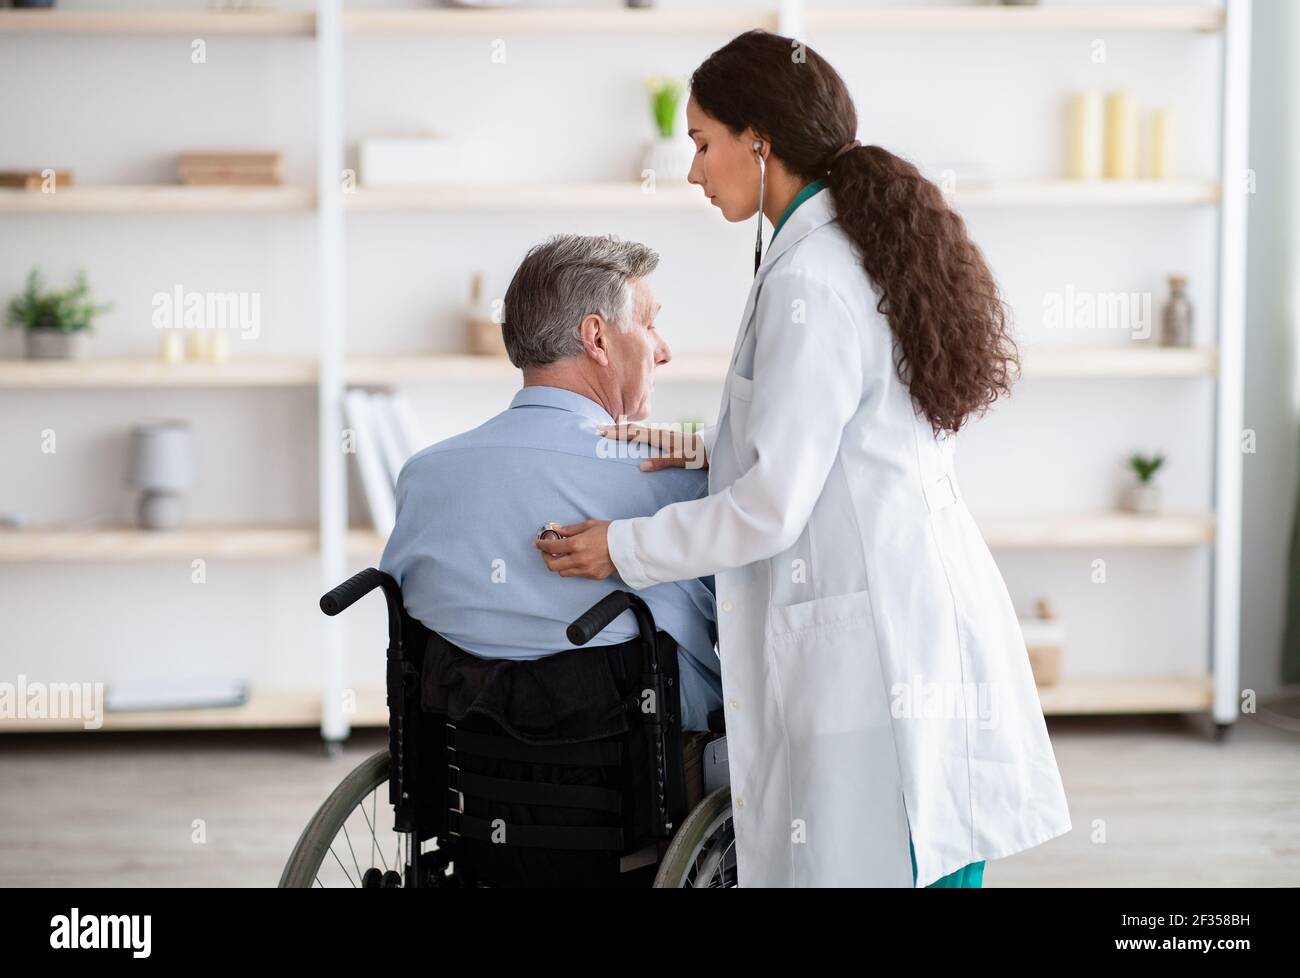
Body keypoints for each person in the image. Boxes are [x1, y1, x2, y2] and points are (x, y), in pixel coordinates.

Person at [535, 30, 1072, 887]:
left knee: (895, 859)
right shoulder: (839, 252)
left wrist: (621, 549)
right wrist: (701, 448)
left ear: (760, 139)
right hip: (901, 618)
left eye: (703, 143)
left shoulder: (812, 278)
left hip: (882, 648)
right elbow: (834, 442)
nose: (694, 171)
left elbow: (772, 506)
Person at [380, 233, 722, 812]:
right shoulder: (670, 479)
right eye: (650, 325)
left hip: (475, 773)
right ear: (597, 338)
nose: (663, 350)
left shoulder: (425, 476)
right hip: (640, 780)